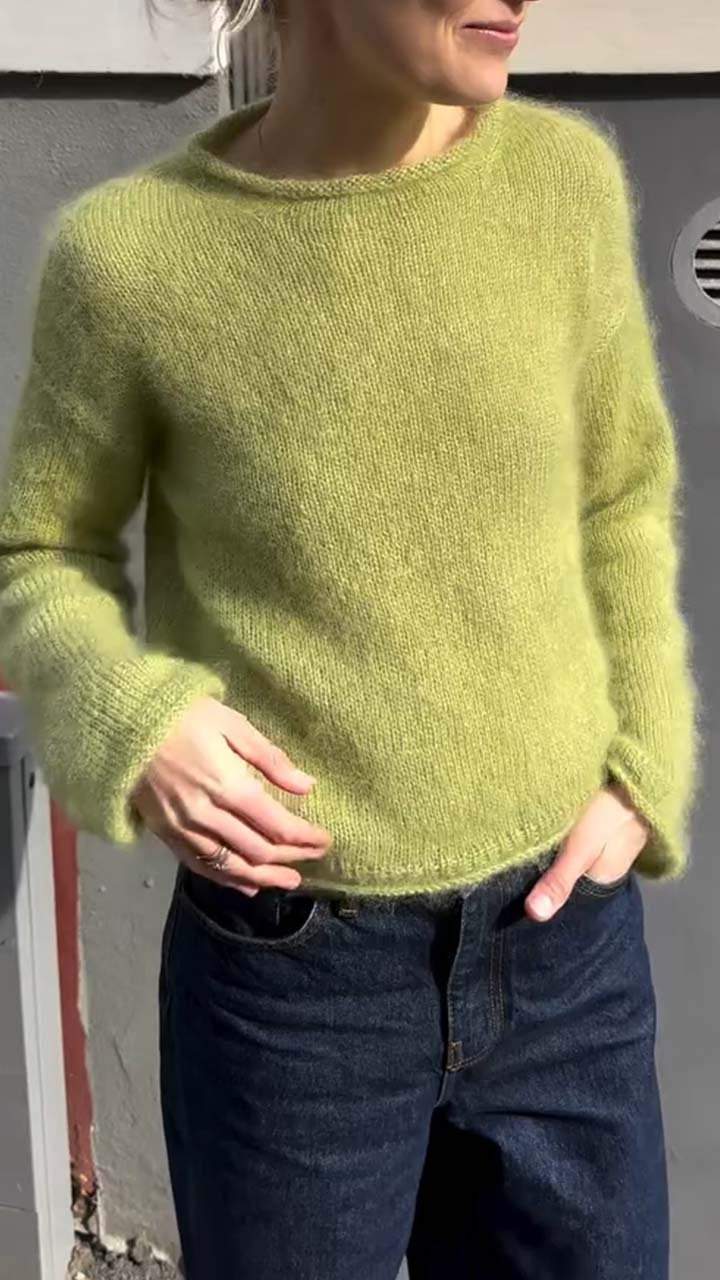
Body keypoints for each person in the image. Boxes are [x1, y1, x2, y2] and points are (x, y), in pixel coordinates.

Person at [0, 1, 703, 1276]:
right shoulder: (136, 255)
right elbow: (36, 554)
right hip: (293, 990)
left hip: (566, 956)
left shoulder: (562, 185)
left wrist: (645, 760)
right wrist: (131, 716)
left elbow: (620, 497)